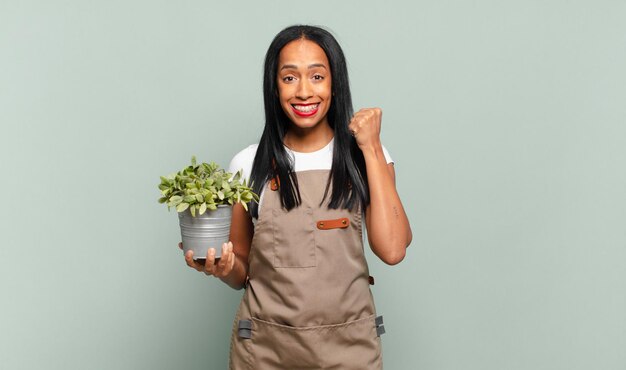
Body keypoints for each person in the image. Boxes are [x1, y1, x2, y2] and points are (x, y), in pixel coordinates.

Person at [181, 25, 412, 369]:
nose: (304, 92)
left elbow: (393, 250)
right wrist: (225, 267)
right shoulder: (248, 164)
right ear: (274, 87)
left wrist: (372, 147)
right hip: (265, 351)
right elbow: (242, 271)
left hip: (351, 350)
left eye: (317, 76)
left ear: (335, 82)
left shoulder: (367, 159)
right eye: (289, 78)